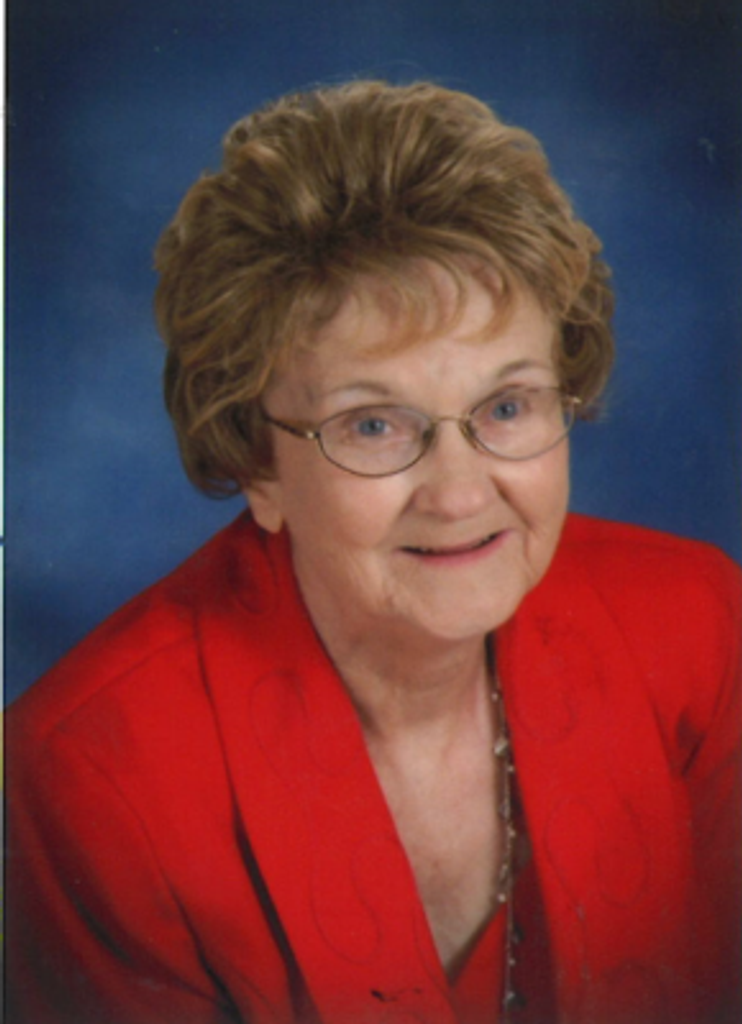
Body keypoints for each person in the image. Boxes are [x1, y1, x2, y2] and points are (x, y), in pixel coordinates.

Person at [6, 80, 741, 1024]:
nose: (460, 493)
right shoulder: (95, 776)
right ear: (255, 463)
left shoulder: (698, 625)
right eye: (374, 425)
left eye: (506, 406)